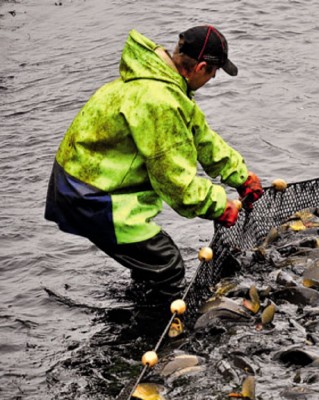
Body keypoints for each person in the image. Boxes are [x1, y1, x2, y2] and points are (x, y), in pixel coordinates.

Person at [44, 25, 263, 299]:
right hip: (90, 196)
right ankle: (154, 333)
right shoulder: (160, 102)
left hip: (84, 183)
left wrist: (240, 176)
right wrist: (219, 206)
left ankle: (135, 304)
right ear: (201, 67)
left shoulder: (161, 82)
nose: (214, 77)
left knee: (150, 263)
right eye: (214, 72)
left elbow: (201, 137)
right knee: (167, 266)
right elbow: (175, 183)